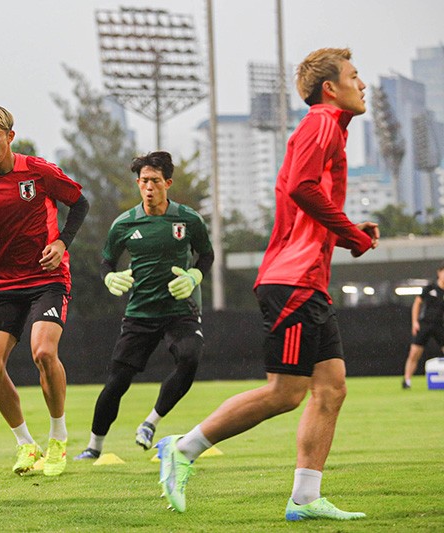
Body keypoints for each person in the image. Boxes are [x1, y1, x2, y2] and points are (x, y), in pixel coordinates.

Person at [157, 47, 379, 521]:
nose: (363, 85)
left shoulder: (329, 131)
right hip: (292, 282)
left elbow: (303, 211)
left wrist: (352, 234)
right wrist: (352, 233)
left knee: (332, 388)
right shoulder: (321, 121)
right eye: (355, 77)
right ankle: (183, 448)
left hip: (308, 282)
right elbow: (301, 188)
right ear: (330, 89)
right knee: (285, 391)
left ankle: (304, 499)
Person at [0, 106, 89, 477]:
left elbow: (79, 203)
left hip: (47, 279)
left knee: (43, 351)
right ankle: (26, 443)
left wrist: (61, 243)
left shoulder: (38, 171)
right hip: (3, 287)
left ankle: (58, 437)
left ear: (10, 136)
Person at [74, 151, 213, 461]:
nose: (149, 187)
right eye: (144, 181)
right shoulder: (124, 224)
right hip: (140, 314)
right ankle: (93, 447)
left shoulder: (188, 219)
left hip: (181, 311)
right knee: (117, 381)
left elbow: (207, 255)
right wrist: (110, 278)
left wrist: (194, 275)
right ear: (138, 184)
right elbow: (106, 261)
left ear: (168, 183)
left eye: (155, 181)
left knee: (190, 358)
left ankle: (150, 423)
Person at [402, 263, 444, 389]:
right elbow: (417, 303)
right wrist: (415, 322)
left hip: (440, 326)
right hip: (425, 324)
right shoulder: (430, 288)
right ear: (439, 273)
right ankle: (407, 381)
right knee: (414, 353)